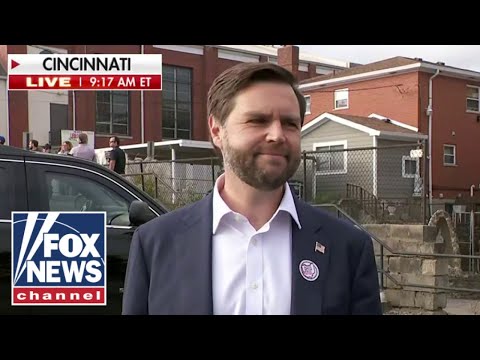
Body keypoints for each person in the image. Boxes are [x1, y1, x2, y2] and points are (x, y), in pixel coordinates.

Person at [122, 62, 382, 315]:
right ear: (216, 130)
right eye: (258, 120)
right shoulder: (155, 244)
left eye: (290, 123)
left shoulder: (348, 248)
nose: (278, 135)